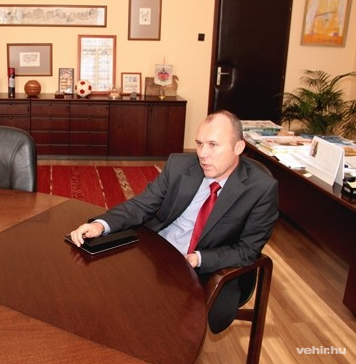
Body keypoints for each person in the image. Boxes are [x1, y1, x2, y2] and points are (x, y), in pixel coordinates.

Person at [69, 110, 278, 333]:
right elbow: (141, 205)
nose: (202, 154)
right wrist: (101, 224)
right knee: (102, 287)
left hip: (208, 266)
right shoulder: (179, 165)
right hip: (159, 253)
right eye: (199, 144)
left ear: (238, 147)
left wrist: (198, 259)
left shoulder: (261, 189)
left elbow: (247, 250)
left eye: (213, 145)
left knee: (161, 324)